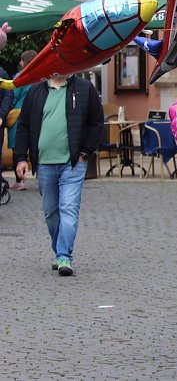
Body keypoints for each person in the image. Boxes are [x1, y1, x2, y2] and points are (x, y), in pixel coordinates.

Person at [14, 73, 103, 277]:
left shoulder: (84, 88)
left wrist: (85, 152)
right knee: (51, 212)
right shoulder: (35, 91)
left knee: (68, 209)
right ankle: (59, 251)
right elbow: (24, 126)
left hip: (73, 163)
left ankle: (64, 256)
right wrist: (20, 158)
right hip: (44, 163)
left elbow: (96, 123)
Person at [7, 49, 37, 191]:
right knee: (35, 145)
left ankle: (20, 181)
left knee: (17, 148)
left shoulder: (20, 76)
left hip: (19, 115)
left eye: (21, 59)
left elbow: (13, 96)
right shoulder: (39, 75)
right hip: (37, 114)